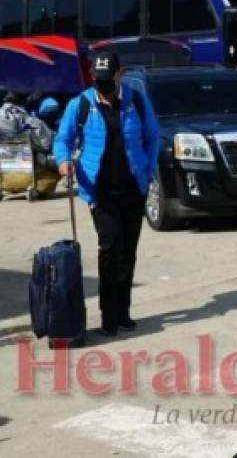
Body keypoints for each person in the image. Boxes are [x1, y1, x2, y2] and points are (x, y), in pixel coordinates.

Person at [53, 51, 159, 336]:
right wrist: (63, 161)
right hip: (99, 192)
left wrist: (147, 170)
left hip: (133, 188)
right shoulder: (81, 104)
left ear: (119, 75)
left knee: (128, 252)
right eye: (98, 83)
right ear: (92, 79)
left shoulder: (136, 100)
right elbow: (62, 139)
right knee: (110, 248)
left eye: (108, 82)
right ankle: (108, 315)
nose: (104, 89)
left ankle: (123, 311)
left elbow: (152, 137)